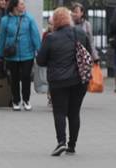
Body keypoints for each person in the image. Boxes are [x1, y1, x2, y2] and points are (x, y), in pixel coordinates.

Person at [36, 7, 92, 156]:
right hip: (79, 80)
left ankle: (61, 142)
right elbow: (89, 54)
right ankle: (72, 146)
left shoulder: (50, 37)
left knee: (59, 112)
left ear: (55, 20)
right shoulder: (81, 33)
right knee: (74, 113)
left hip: (58, 81)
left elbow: (40, 61)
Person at [0, 0, 41, 111]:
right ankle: (16, 100)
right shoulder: (5, 20)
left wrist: (39, 51)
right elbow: (1, 38)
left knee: (26, 77)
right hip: (11, 54)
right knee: (14, 78)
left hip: (27, 54)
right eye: (21, 4)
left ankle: (26, 100)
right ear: (15, 6)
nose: (24, 6)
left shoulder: (29, 19)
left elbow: (35, 35)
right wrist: (0, 55)